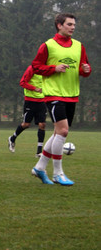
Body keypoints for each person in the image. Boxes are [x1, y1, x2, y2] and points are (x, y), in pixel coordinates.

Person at [31, 13, 91, 186]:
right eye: (69, 24)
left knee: (58, 133)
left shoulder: (79, 46)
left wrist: (86, 69)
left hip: (72, 94)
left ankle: (39, 168)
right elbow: (36, 67)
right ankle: (58, 173)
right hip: (54, 93)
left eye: (74, 25)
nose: (73, 27)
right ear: (59, 25)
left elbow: (84, 70)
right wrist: (53, 68)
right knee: (63, 131)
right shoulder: (48, 46)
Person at [7, 65, 46, 157]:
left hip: (42, 101)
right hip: (30, 101)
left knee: (42, 125)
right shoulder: (32, 69)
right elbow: (23, 82)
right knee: (26, 124)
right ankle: (12, 139)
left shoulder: (47, 69)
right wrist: (35, 88)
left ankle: (39, 152)